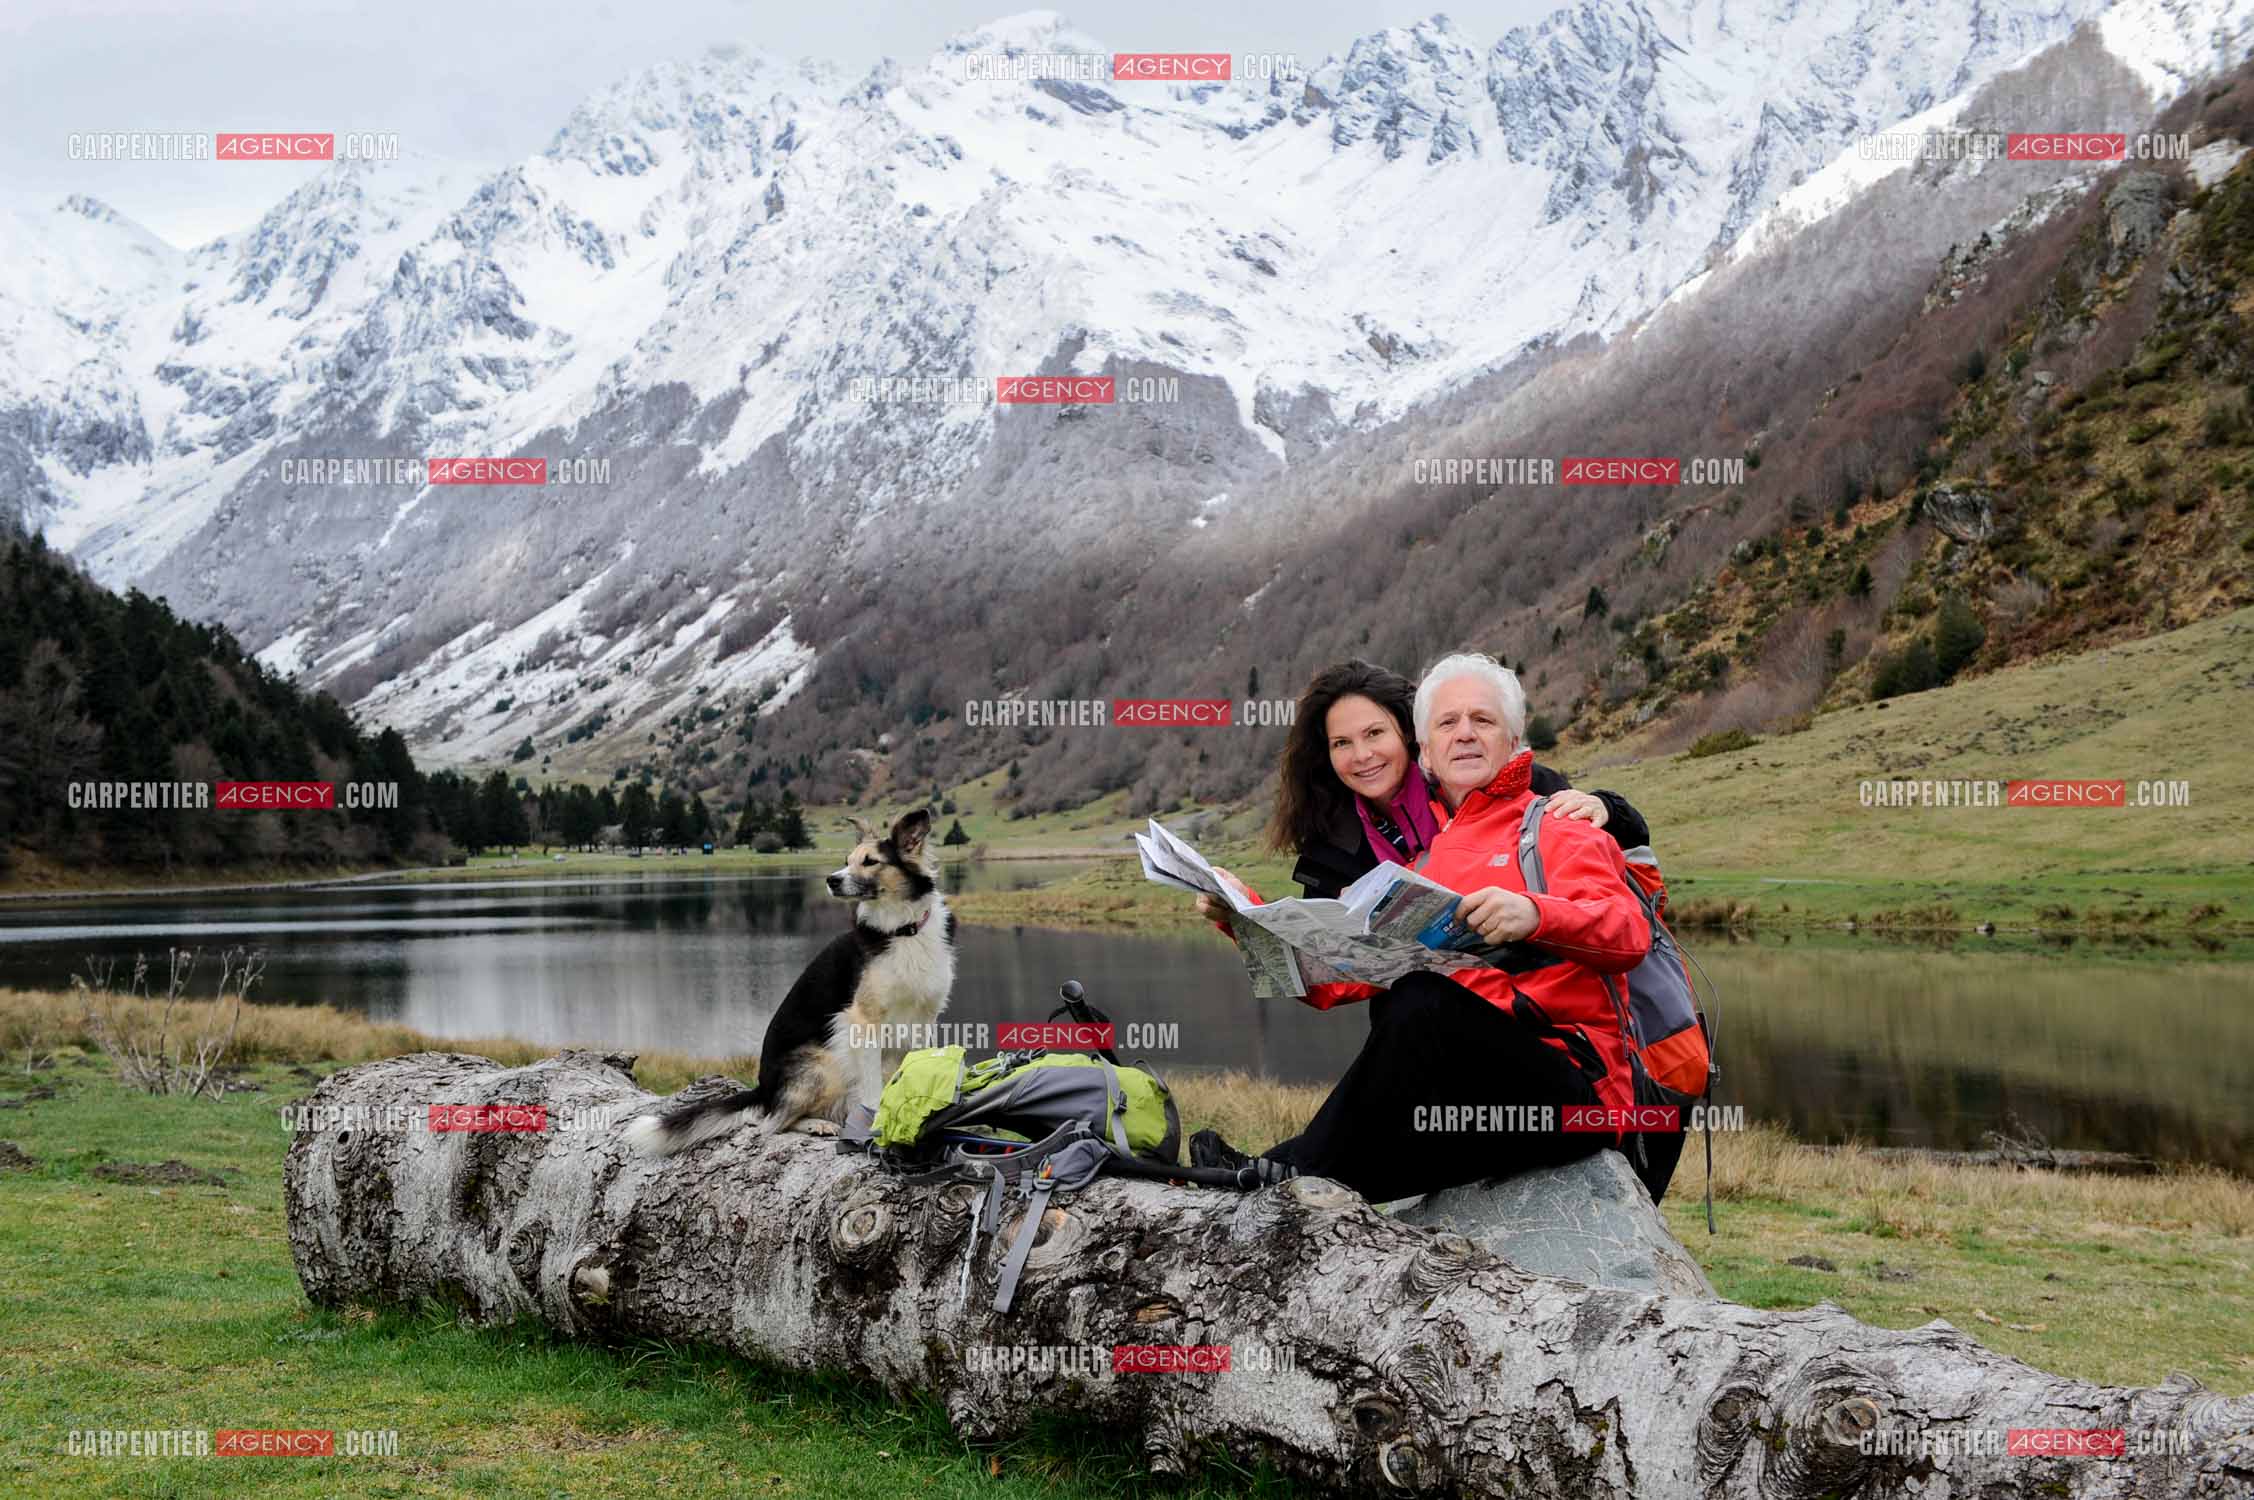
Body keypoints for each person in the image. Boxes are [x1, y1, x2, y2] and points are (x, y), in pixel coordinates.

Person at [1190, 653, 1681, 1204]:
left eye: (1483, 720)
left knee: (1421, 998)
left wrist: (1535, 915)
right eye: (1448, 723)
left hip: (1578, 1094)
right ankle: (1261, 1178)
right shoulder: (1428, 862)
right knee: (1373, 1162)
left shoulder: (1555, 824)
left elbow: (1629, 934)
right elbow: (1342, 981)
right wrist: (1247, 923)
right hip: (1479, 1104)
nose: (1465, 735)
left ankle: (1290, 1167)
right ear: (1426, 748)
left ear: (1514, 738)